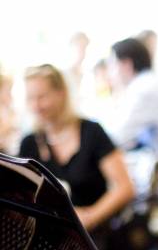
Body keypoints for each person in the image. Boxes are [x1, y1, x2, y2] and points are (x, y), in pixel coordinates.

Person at [19, 64, 135, 234]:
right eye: (30, 98)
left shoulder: (92, 132)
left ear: (62, 93)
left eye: (42, 97)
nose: (36, 105)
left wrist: (90, 216)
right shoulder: (29, 143)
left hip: (95, 236)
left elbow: (124, 187)